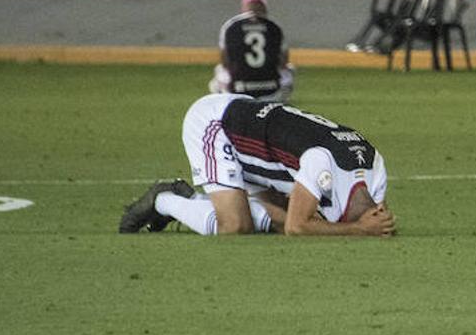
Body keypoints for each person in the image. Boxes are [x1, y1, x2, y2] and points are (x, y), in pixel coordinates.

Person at [118, 95, 397, 237]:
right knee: (235, 227)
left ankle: (200, 201)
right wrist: (357, 230)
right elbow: (297, 227)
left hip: (261, 138)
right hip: (218, 124)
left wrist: (367, 227)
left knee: (277, 224)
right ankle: (166, 200)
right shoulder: (320, 161)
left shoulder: (375, 164)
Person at [207, 0, 295, 102]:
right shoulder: (274, 26)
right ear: (264, 8)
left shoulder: (231, 25)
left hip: (237, 90)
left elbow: (225, 60)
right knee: (290, 69)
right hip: (272, 92)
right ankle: (283, 99)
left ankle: (223, 100)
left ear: (244, 8)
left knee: (219, 70)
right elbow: (283, 61)